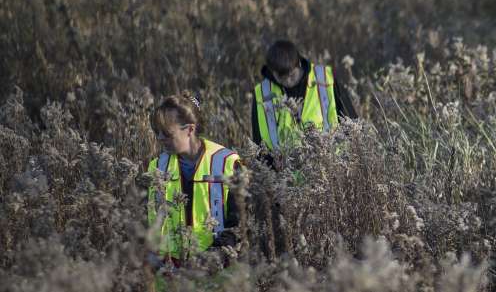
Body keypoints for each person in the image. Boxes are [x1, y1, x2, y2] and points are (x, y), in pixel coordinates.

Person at [147, 94, 241, 269]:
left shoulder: (227, 163)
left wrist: (214, 257)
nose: (159, 138)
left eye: (166, 133)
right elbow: (151, 225)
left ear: (190, 130)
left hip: (218, 275)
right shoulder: (157, 167)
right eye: (156, 131)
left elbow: (240, 225)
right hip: (170, 276)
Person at [252, 40, 357, 150]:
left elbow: (352, 124)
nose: (288, 82)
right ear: (272, 71)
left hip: (330, 159)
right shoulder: (262, 93)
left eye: (292, 75)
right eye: (281, 78)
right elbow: (259, 145)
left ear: (299, 64)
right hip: (284, 161)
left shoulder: (326, 79)